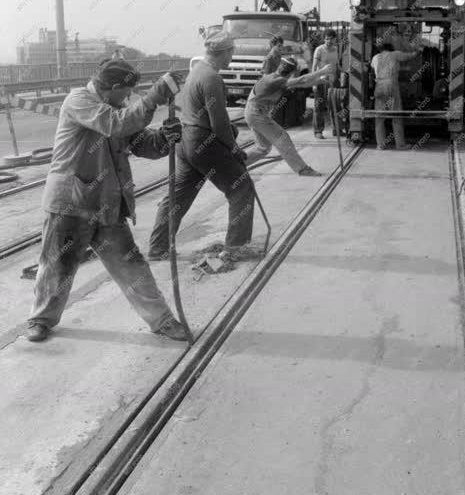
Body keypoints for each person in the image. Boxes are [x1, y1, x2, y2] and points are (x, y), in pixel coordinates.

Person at [26, 59, 187, 343]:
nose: (128, 98)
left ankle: (162, 320)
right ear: (112, 88)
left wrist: (164, 137)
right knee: (57, 265)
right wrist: (154, 96)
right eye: (126, 92)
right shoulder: (79, 101)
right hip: (70, 202)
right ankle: (41, 319)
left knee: (132, 265)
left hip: (107, 204)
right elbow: (114, 125)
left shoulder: (119, 109)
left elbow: (143, 144)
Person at [148, 31, 257, 268]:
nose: (232, 56)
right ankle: (234, 249)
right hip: (203, 142)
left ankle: (157, 249)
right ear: (225, 52)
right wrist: (234, 149)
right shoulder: (212, 78)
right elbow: (219, 123)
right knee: (242, 189)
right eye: (231, 52)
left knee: (178, 196)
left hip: (185, 142)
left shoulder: (196, 71)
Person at [245, 55, 332, 175]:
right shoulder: (275, 80)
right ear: (291, 72)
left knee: (263, 148)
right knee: (282, 138)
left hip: (253, 113)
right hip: (257, 114)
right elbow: (301, 80)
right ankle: (302, 169)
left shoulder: (274, 78)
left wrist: (321, 80)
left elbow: (299, 84)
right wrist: (322, 71)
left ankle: (236, 165)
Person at [370, 36, 420, 150]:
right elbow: (409, 56)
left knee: (379, 117)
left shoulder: (375, 57)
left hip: (379, 86)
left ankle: (380, 144)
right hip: (391, 85)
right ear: (391, 49)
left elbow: (372, 69)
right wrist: (418, 51)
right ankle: (400, 145)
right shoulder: (395, 54)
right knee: (396, 115)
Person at [311, 29, 341, 138]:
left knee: (335, 106)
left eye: (331, 38)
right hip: (321, 81)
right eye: (327, 38)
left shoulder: (336, 49)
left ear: (335, 39)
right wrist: (314, 82)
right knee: (319, 106)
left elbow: (337, 66)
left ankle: (336, 129)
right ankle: (318, 131)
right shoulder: (319, 49)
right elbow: (314, 67)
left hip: (333, 82)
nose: (329, 41)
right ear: (324, 39)